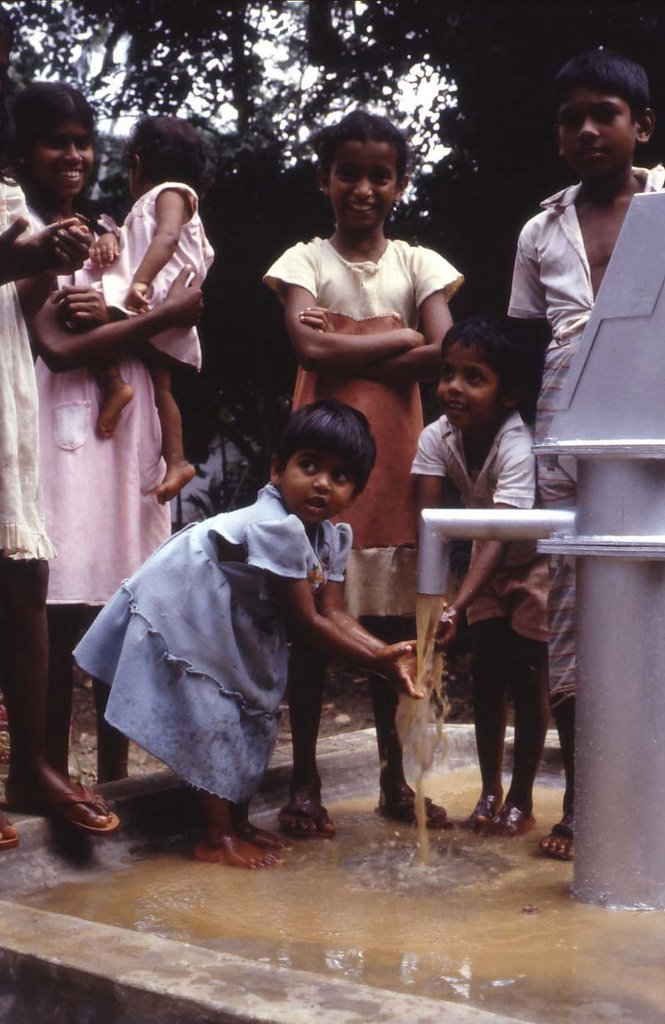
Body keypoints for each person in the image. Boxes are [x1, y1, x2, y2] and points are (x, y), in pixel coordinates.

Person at [74, 400, 421, 868]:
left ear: (354, 493)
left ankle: (235, 823)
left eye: (340, 477)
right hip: (186, 600)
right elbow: (308, 625)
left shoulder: (328, 536)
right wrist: (378, 661)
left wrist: (386, 653)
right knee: (213, 712)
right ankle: (215, 837)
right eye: (309, 466)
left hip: (225, 613)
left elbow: (333, 612)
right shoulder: (277, 526)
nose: (322, 483)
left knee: (250, 711)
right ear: (278, 469)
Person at [265, 109, 462, 838]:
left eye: (380, 174)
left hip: (397, 468)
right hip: (322, 472)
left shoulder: (419, 263)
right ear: (325, 178)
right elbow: (306, 352)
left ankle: (395, 779)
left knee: (390, 627)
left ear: (400, 184)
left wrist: (357, 341)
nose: (363, 187)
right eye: (348, 171)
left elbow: (445, 355)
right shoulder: (303, 261)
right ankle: (306, 783)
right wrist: (398, 335)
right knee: (313, 625)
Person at [10, 82, 197, 787]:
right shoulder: (23, 233)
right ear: (24, 149)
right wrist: (163, 314)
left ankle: (115, 774)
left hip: (122, 422)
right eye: (58, 141)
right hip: (59, 424)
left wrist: (126, 308)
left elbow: (140, 310)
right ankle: (46, 770)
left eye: (84, 141)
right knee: (54, 603)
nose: (74, 154)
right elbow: (56, 345)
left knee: (122, 598)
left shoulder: (101, 224)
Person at [508, 49, 658, 859]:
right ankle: (581, 792)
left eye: (605, 113)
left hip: (654, 420)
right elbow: (531, 347)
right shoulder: (539, 229)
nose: (588, 129)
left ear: (641, 125)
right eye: (571, 118)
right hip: (564, 427)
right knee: (567, 604)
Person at [0, 5, 119, 846]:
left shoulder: (12, 200)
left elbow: (38, 334)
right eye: (56, 141)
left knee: (23, 581)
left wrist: (63, 282)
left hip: (6, 405)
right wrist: (42, 257)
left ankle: (30, 768)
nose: (70, 157)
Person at [412, 318, 549, 836]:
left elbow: (502, 530)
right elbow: (429, 524)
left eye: (474, 377)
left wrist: (458, 603)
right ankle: (490, 789)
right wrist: (437, 597)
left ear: (508, 392)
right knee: (487, 675)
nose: (453, 387)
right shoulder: (437, 436)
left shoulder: (517, 444)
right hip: (483, 565)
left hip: (532, 563)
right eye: (448, 373)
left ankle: (521, 796)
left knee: (528, 674)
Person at [85, 114, 214, 504]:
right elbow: (129, 242)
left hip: (154, 294)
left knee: (86, 317)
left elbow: (168, 238)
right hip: (162, 302)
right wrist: (109, 238)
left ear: (137, 164)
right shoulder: (142, 210)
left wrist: (140, 281)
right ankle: (176, 461)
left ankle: (114, 384)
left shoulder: (171, 194)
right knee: (163, 387)